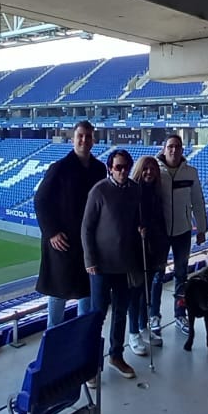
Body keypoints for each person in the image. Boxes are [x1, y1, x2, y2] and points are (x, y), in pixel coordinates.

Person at [34, 121, 105, 328]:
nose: (84, 140)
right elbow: (40, 200)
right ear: (73, 139)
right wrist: (52, 232)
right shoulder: (59, 168)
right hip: (62, 245)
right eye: (80, 136)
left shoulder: (99, 169)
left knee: (87, 294)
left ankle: (80, 346)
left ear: (93, 140)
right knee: (58, 297)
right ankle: (52, 347)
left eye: (88, 136)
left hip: (88, 244)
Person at [81, 147, 143, 379]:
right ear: (110, 168)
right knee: (98, 315)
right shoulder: (99, 191)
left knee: (121, 312)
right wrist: (90, 260)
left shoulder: (135, 190)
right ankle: (91, 366)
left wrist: (141, 227)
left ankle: (116, 356)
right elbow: (86, 228)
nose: (123, 171)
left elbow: (137, 218)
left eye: (126, 167)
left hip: (125, 264)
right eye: (118, 167)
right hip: (100, 266)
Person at [153, 134, 207, 339]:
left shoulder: (191, 172)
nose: (174, 150)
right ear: (164, 148)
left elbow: (198, 201)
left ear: (182, 149)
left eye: (177, 146)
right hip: (160, 233)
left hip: (183, 232)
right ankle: (154, 316)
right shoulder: (155, 170)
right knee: (157, 277)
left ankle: (180, 314)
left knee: (181, 276)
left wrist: (201, 228)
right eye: (170, 146)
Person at [128, 154, 167, 353]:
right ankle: (133, 332)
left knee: (145, 293)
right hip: (136, 250)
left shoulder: (157, 193)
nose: (149, 172)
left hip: (152, 250)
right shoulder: (132, 191)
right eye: (145, 169)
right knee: (135, 293)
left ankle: (143, 327)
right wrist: (137, 229)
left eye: (152, 169)